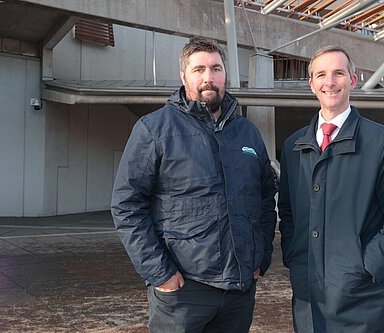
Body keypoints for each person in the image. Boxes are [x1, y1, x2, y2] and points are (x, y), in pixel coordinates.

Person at [111, 37, 277, 333]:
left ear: (226, 74)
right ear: (183, 76)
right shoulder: (154, 130)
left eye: (216, 68)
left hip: (239, 290)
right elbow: (127, 206)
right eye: (198, 69)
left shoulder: (248, 133)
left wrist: (260, 257)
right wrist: (160, 273)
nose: (208, 77)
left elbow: (265, 197)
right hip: (184, 290)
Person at [278, 45, 384, 333]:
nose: (329, 82)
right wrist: (295, 259)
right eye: (321, 74)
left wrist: (366, 266)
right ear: (311, 85)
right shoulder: (294, 146)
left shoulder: (383, 142)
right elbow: (288, 212)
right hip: (309, 299)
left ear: (352, 81)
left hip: (367, 301)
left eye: (338, 73)